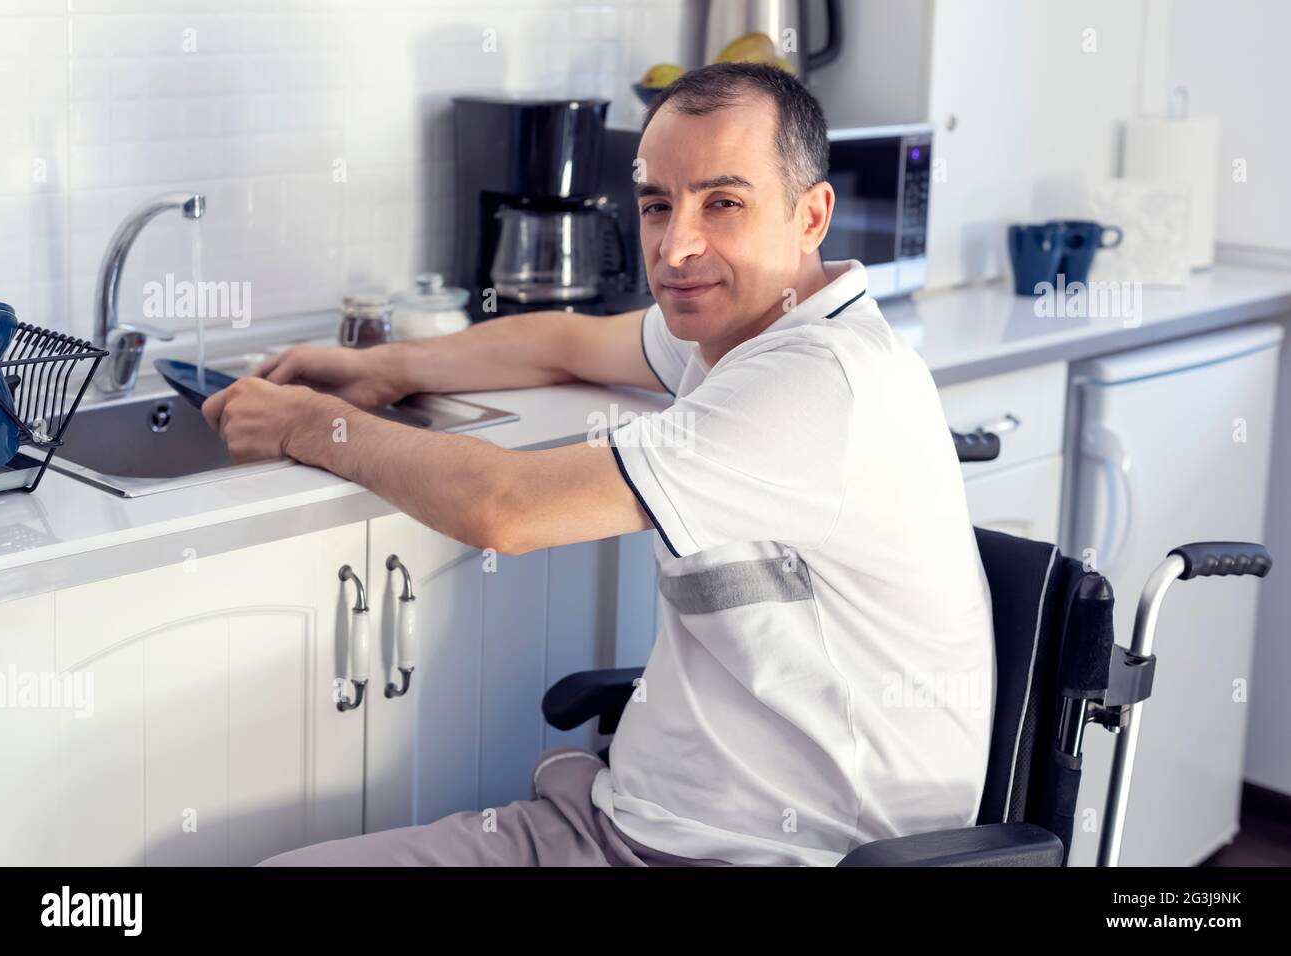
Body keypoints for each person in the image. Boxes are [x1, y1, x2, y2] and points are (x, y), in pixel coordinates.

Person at [206, 62, 996, 868]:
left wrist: (315, 427)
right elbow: (567, 342)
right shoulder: (744, 328)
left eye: (723, 203)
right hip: (631, 825)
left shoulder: (819, 383)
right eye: (658, 204)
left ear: (811, 215)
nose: (678, 245)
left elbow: (506, 509)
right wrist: (387, 369)